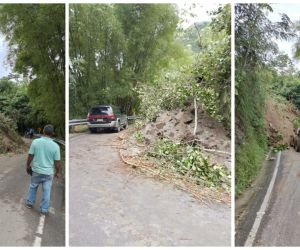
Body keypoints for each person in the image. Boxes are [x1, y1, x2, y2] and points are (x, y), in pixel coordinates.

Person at [25, 124, 61, 216]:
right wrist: (57, 172)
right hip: (48, 173)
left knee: (33, 186)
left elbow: (30, 155)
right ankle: (44, 209)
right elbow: (57, 162)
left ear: (43, 132)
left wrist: (28, 165)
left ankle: (30, 203)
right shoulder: (55, 146)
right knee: (47, 191)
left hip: (36, 171)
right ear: (52, 133)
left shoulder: (36, 142)